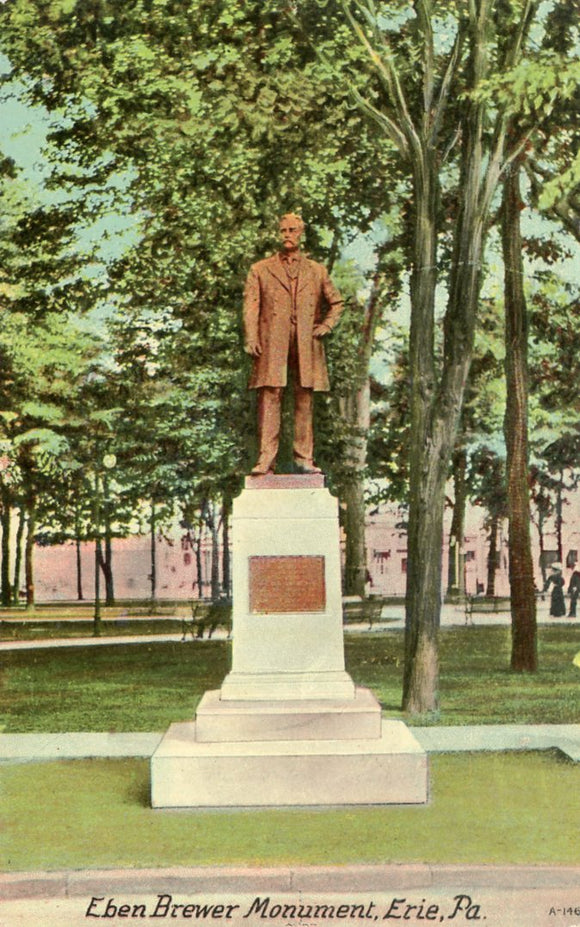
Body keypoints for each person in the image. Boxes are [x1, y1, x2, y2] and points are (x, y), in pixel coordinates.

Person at [243, 213, 344, 475]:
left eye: (292, 230)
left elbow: (336, 303)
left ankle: (304, 458)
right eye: (283, 230)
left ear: (301, 234)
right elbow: (251, 306)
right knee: (270, 395)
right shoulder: (260, 269)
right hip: (272, 342)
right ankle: (266, 458)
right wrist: (251, 337)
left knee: (304, 397)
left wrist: (326, 326)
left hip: (306, 343)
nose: (287, 235)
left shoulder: (317, 270)